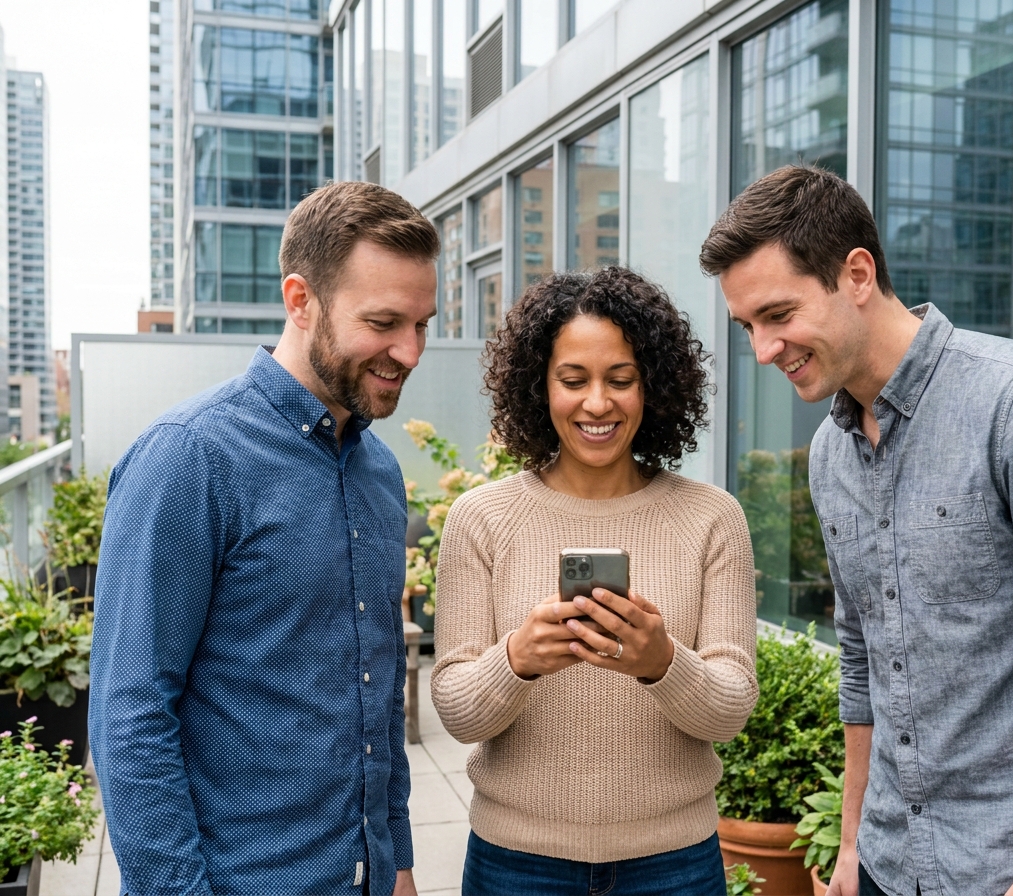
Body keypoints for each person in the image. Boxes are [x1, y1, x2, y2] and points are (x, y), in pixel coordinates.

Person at [700, 165, 1013, 896]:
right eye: (748, 326)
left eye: (779, 314)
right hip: (893, 864)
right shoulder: (829, 452)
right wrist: (853, 844)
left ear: (856, 273)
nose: (763, 349)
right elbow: (862, 658)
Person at [89, 181, 439, 896]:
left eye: (423, 324)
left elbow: (376, 692)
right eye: (384, 322)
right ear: (300, 300)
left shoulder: (380, 473)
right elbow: (129, 715)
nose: (409, 351)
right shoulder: (189, 459)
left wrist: (397, 860)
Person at [430, 267, 758, 896]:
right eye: (573, 380)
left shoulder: (712, 518)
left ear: (654, 387)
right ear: (538, 387)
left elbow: (731, 709)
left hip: (674, 863)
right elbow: (457, 710)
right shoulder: (481, 519)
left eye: (622, 380)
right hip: (516, 862)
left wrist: (662, 662)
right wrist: (516, 661)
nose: (598, 403)